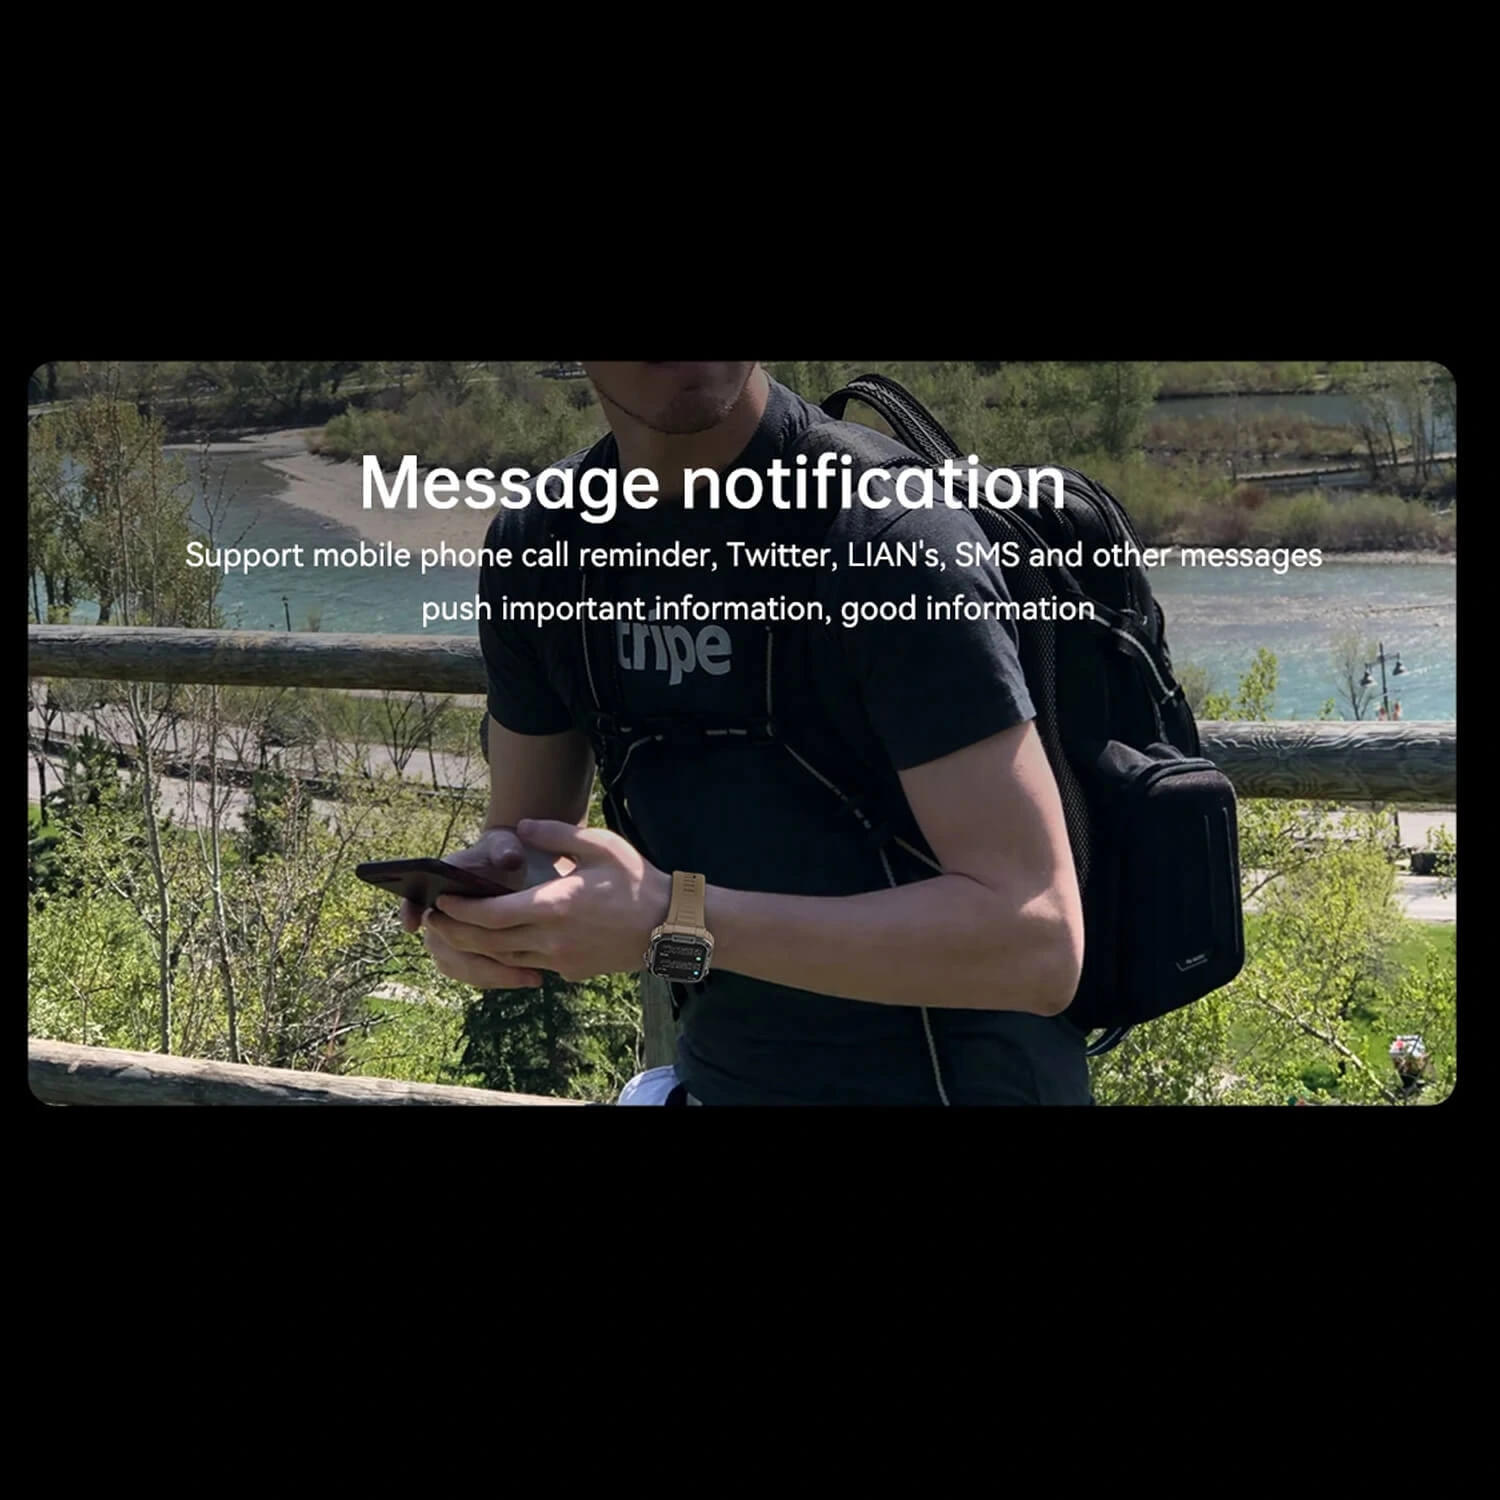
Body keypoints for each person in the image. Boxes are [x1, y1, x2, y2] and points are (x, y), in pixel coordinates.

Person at [402, 362, 1091, 1105]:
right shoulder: (543, 546)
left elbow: (1037, 944)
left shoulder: (887, 536)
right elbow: (525, 847)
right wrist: (480, 915)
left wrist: (673, 920)